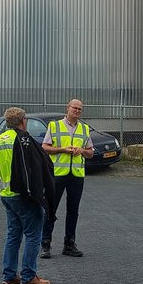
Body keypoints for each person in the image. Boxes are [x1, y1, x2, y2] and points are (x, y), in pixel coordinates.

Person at [0, 107, 52, 284]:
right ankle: (28, 276)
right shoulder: (24, 140)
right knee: (33, 236)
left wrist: (5, 181)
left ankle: (9, 276)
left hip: (6, 195)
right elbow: (34, 168)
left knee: (13, 235)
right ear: (23, 121)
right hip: (24, 196)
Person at [40, 99, 94, 258]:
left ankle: (69, 244)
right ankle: (45, 244)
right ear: (68, 108)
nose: (77, 111)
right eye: (74, 108)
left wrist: (82, 150)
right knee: (50, 209)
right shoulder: (54, 126)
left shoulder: (84, 129)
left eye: (80, 109)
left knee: (73, 211)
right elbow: (45, 147)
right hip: (57, 174)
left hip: (76, 175)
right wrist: (63, 149)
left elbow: (90, 152)